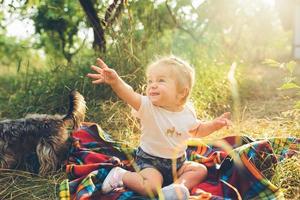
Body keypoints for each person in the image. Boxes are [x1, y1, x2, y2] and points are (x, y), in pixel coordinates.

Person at [86, 56, 231, 199]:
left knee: (200, 170)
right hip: (150, 162)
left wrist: (214, 125)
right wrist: (116, 82)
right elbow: (129, 94)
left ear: (182, 92)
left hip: (178, 163)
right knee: (151, 188)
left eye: (161, 80)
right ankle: (121, 175)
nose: (152, 85)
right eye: (150, 81)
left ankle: (176, 188)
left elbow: (198, 130)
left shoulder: (187, 111)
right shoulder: (148, 107)